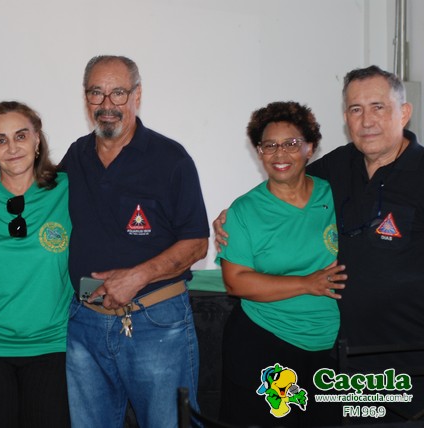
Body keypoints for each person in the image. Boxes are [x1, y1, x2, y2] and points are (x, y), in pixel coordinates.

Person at [214, 65, 424, 423]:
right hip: (345, 358)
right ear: (346, 118)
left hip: (409, 354)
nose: (367, 120)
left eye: (378, 107)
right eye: (356, 109)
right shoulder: (340, 166)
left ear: (404, 112)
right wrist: (229, 216)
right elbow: (286, 177)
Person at [61, 55, 210, 428]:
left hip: (155, 323)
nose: (107, 104)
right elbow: (36, 199)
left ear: (137, 95)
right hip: (85, 325)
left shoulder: (171, 158)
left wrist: (137, 277)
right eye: (97, 93)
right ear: (85, 97)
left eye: (118, 93)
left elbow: (197, 243)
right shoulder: (75, 156)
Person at [216, 101, 345, 427]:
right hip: (265, 345)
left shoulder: (337, 197)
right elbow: (235, 281)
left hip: (333, 349)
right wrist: (306, 284)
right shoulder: (244, 211)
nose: (280, 153)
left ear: (309, 148)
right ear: (259, 152)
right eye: (270, 145)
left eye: (291, 143)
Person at [0, 101, 72, 428]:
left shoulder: (68, 189)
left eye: (21, 136)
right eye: (1, 140)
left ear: (37, 140)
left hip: (52, 344)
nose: (12, 147)